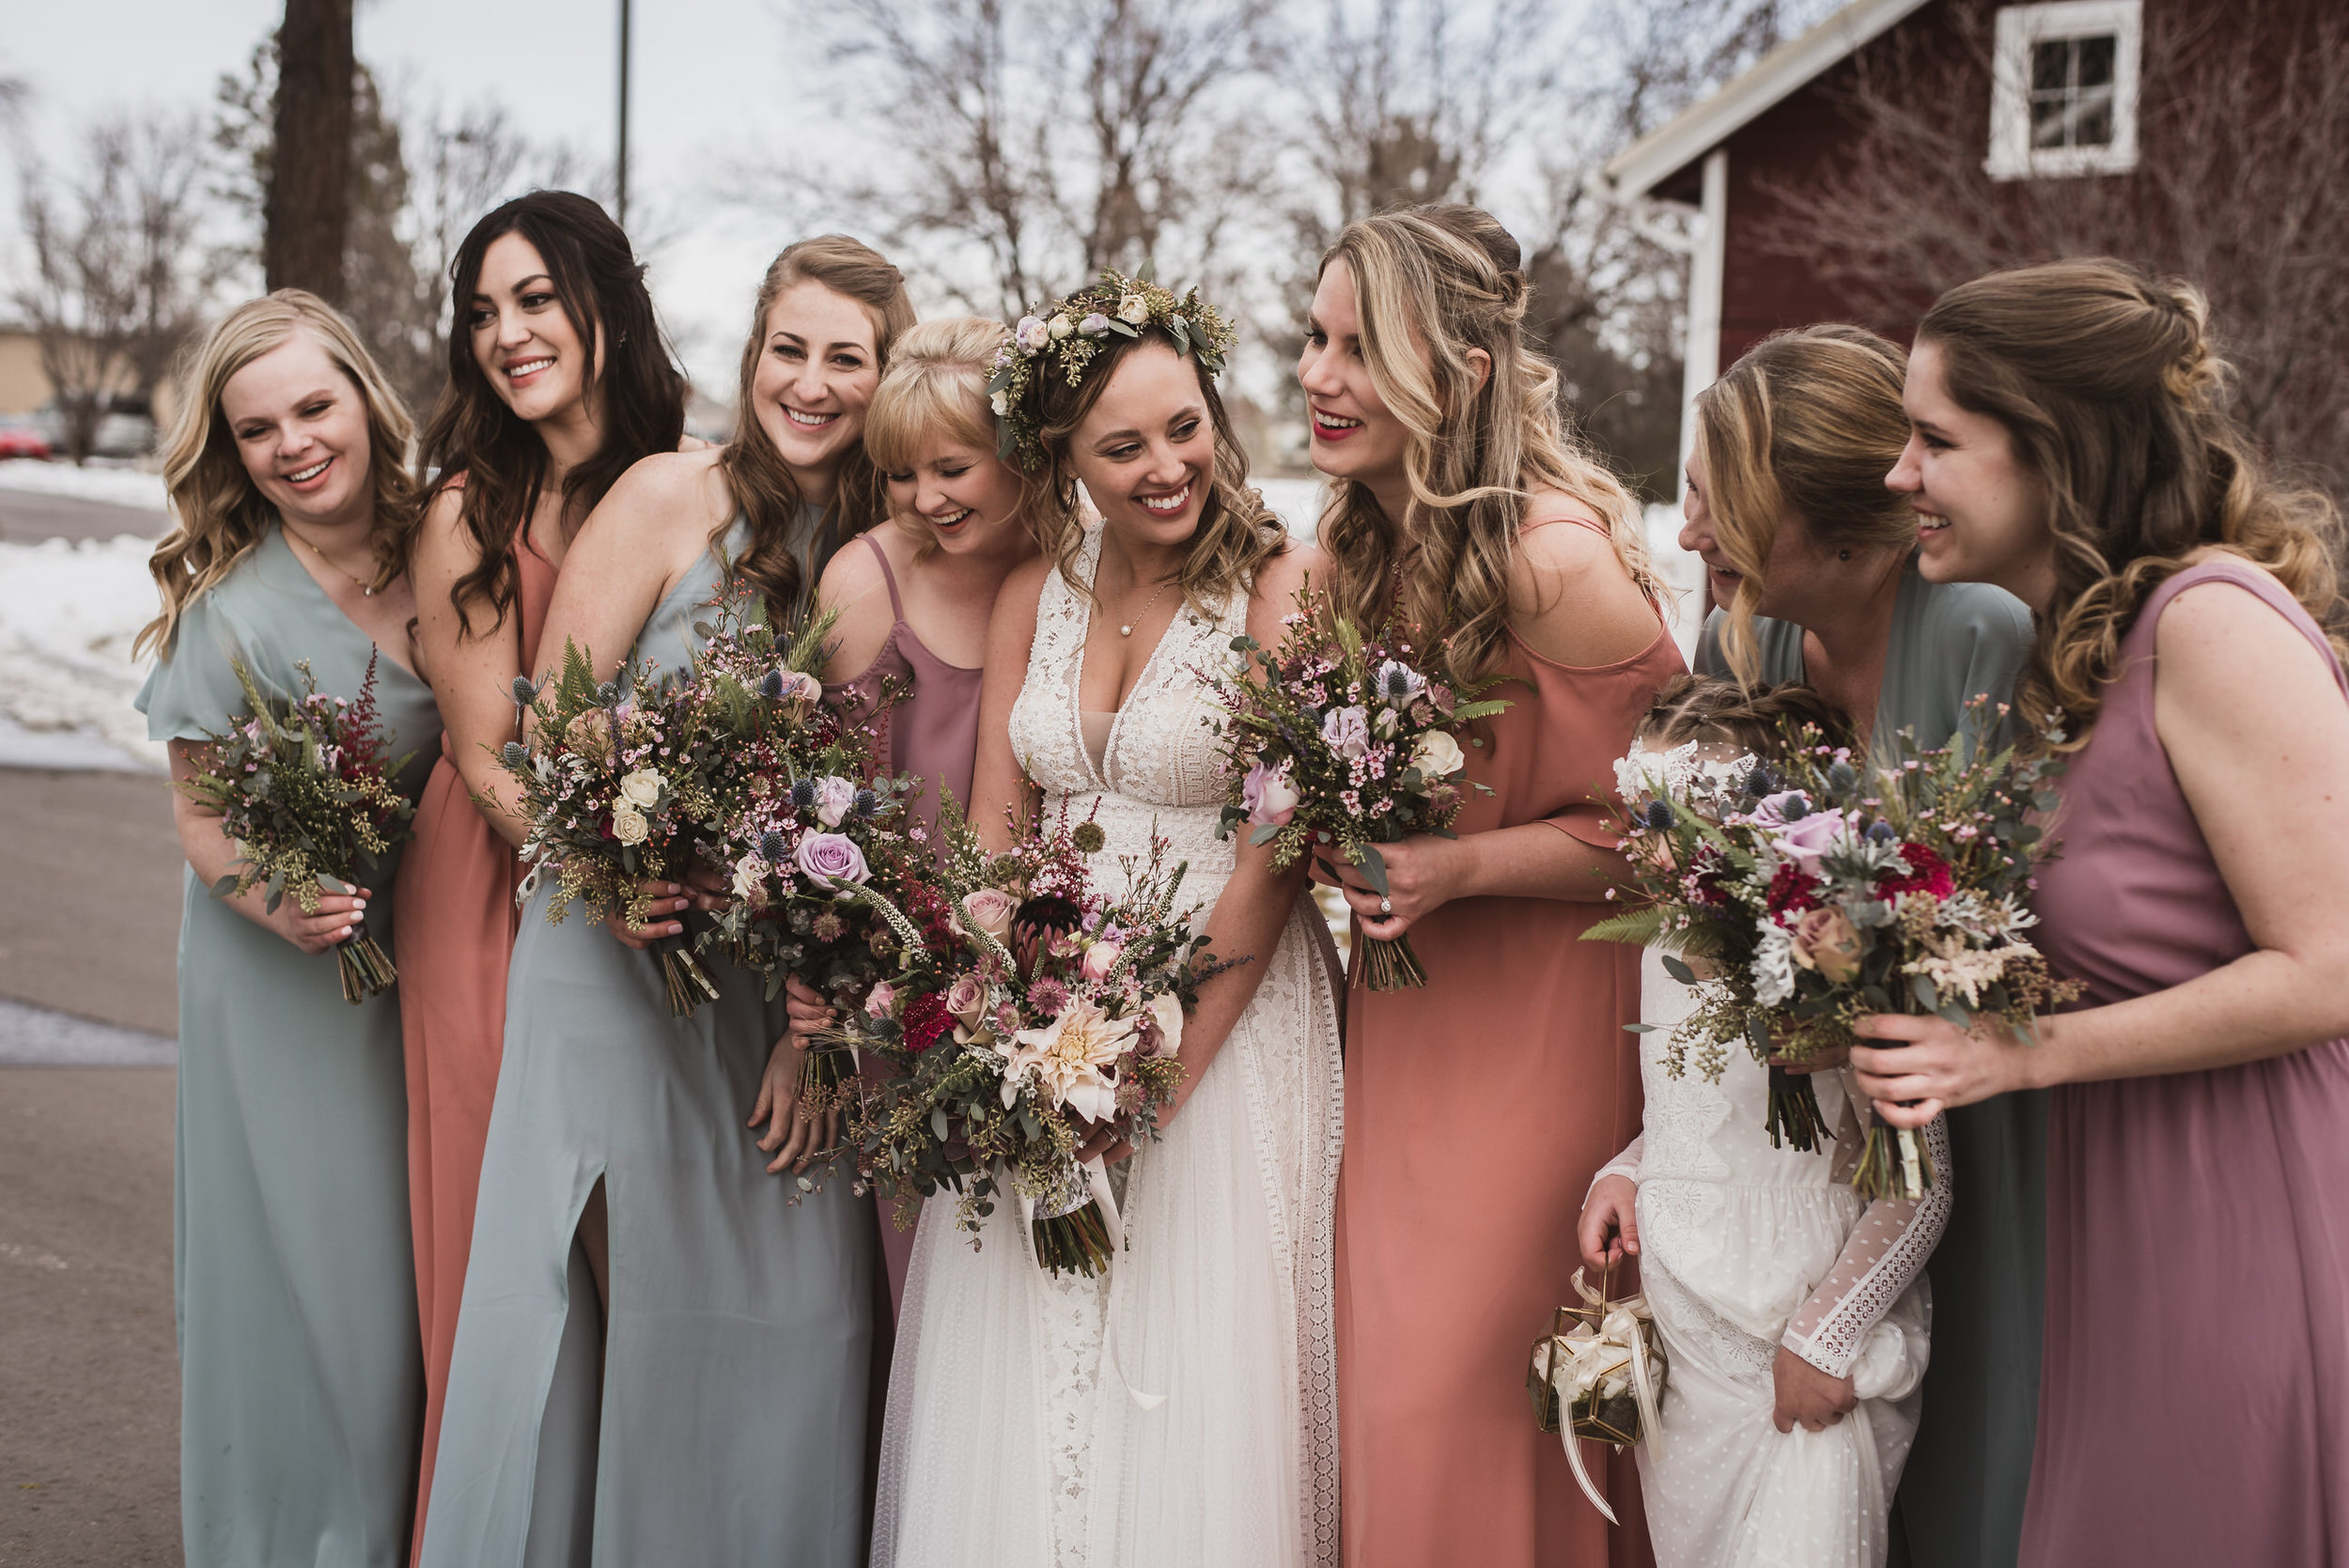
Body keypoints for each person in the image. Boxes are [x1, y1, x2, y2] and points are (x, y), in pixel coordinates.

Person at [417, 236, 912, 1568]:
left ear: (887, 377)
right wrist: (620, 867)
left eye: (845, 360)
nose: (808, 383)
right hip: (614, 952)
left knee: (808, 1317)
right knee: (619, 1310)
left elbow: (885, 803)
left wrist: (822, 1019)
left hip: (783, 983)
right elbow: (555, 732)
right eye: (786, 349)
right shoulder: (664, 494)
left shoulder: (885, 547)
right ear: (752, 354)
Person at [1850, 259, 2349, 1566]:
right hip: (2114, 1221)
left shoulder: (2215, 625)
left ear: (2054, 454)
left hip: (2243, 1214)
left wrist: (2016, 1054)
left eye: (1936, 438)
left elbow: (2332, 965)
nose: (1900, 471)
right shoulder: (2078, 649)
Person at [872, 271, 1346, 1567]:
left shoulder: (1279, 585)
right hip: (1050, 1029)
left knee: (1193, 1377)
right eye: (1121, 445)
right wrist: (1010, 1028)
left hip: (1222, 1026)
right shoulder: (1039, 589)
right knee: (1031, 1368)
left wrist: (1157, 1074)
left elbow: (1275, 856)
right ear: (1063, 457)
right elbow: (995, 834)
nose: (1165, 467)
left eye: (1183, 427)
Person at [1303, 205, 1684, 1568]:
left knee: (1450, 1399)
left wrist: (1460, 866)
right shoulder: (1356, 551)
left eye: (1361, 348)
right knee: (1380, 1399)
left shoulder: (1555, 562)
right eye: (1316, 337)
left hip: (1540, 1037)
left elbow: (1682, 839)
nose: (1319, 375)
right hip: (1403, 1029)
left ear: (1459, 374)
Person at [1673, 325, 2037, 1568]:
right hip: (1849, 1155)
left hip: (2002, 1110)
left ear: (1824, 518)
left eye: (1719, 510)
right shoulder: (1764, 640)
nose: (1690, 539)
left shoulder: (1980, 634)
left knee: (1993, 1464)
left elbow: (2008, 919)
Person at [394, 189, 692, 1557]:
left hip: (656, 902)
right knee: (515, 1240)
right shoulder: (470, 506)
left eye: (531, 300)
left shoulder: (687, 478)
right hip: (494, 889)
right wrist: (607, 873)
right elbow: (481, 748)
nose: (506, 335)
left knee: (654, 1237)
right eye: (481, 313)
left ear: (606, 306)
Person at [133, 289, 442, 1567]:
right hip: (280, 975)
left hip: (427, 958)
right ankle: (283, 1536)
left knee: (405, 1272)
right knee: (305, 1274)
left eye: (314, 407)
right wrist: (286, 900)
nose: (294, 444)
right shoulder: (234, 611)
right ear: (234, 451)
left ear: (368, 401)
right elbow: (202, 823)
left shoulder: (452, 546)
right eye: (258, 430)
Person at [1579, 676, 1945, 1568]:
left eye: (1676, 822)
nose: (1650, 852)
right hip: (1687, 1340)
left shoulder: (1837, 959)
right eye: (1643, 816)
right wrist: (1625, 1169)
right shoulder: (1663, 943)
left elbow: (1920, 1182)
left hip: (1801, 1332)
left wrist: (1824, 1337)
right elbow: (1695, 1106)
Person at [805, 315, 1042, 1317]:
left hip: (1070, 979)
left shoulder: (1076, 569)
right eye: (901, 474)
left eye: (951, 468)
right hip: (913, 995)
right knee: (938, 1295)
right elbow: (834, 822)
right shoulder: (868, 583)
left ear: (1018, 452)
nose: (924, 500)